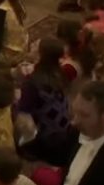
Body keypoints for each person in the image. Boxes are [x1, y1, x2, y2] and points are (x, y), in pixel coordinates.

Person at [17, 38, 71, 166]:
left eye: (36, 45)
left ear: (41, 55)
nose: (32, 44)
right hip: (63, 136)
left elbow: (24, 119)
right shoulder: (59, 74)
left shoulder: (32, 83)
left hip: (42, 142)